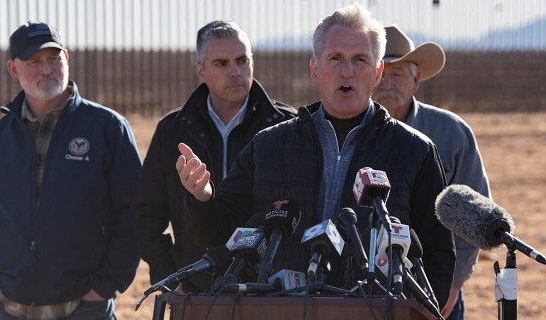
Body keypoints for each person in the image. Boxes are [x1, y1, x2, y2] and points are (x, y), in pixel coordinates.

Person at [175, 4, 455, 308]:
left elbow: (438, 257)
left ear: (377, 73)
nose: (347, 71)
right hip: (280, 312)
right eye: (335, 58)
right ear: (315, 70)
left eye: (360, 59)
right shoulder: (268, 145)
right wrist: (202, 197)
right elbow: (215, 232)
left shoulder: (416, 151)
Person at [0, 21, 141, 319]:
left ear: (67, 60)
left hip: (85, 309)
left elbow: (133, 213)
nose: (47, 69)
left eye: (54, 58)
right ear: (13, 70)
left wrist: (106, 286)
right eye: (34, 61)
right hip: (11, 308)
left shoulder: (108, 129)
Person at [132, 20, 297, 293]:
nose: (235, 71)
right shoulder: (172, 130)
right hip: (193, 291)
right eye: (221, 63)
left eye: (242, 60)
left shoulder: (286, 127)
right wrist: (171, 279)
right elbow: (146, 216)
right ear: (201, 71)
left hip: (267, 292)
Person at [373, 25, 491, 319]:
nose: (387, 84)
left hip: (433, 283)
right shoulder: (350, 130)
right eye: (380, 74)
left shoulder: (452, 133)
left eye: (397, 74)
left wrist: (453, 284)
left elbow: (473, 217)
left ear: (416, 79)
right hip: (362, 284)